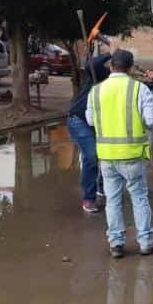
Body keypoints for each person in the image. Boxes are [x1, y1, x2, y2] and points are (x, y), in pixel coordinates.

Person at [86, 49, 153, 258]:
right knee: (139, 198)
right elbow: (151, 120)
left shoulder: (96, 91)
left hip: (107, 156)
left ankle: (116, 243)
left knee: (113, 200)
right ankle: (145, 242)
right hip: (132, 155)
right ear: (130, 67)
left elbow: (91, 121)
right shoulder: (140, 89)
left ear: (111, 67)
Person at [67, 39, 116, 213]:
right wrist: (110, 52)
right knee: (92, 155)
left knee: (104, 154)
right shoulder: (99, 75)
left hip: (98, 121)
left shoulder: (121, 81)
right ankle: (88, 198)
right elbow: (91, 64)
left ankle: (100, 186)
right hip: (79, 120)